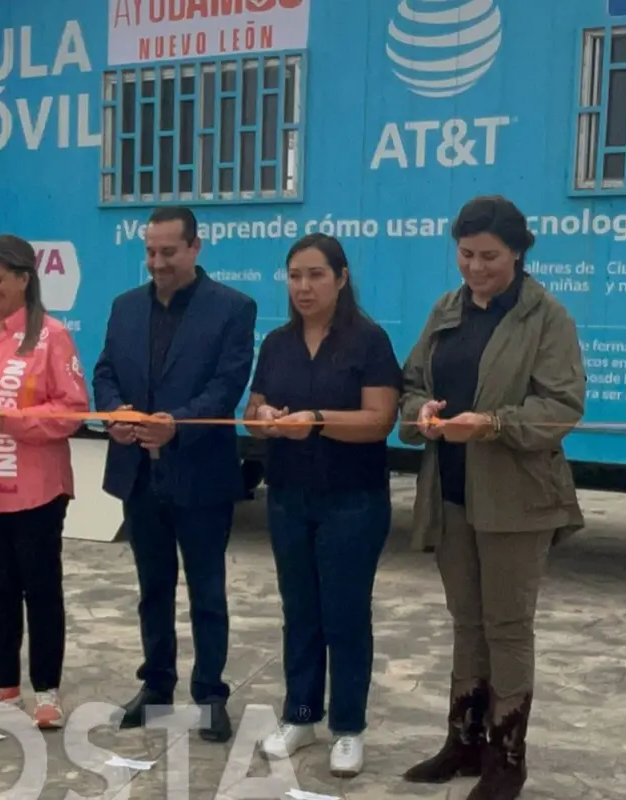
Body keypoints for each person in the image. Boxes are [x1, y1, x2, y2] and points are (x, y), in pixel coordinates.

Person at [398, 196, 585, 800]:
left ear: (519, 253)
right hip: (451, 491)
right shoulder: (447, 309)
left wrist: (495, 424)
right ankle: (462, 742)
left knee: (507, 626)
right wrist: (419, 411)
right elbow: (412, 383)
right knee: (466, 623)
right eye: (466, 255)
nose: (476, 268)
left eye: (490, 257)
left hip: (516, 499)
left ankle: (507, 757)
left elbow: (561, 405)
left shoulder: (546, 318)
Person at [92, 205, 257, 744]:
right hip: (139, 473)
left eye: (168, 251)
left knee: (207, 592)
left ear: (195, 248)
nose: (157, 262)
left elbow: (227, 386)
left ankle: (210, 695)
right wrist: (113, 410)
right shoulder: (122, 307)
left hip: (201, 473)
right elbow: (106, 370)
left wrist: (177, 426)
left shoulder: (233, 308)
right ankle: (156, 689)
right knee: (152, 589)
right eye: (150, 251)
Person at [242, 234, 402, 776]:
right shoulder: (278, 342)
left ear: (340, 277)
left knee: (346, 615)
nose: (304, 286)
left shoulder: (368, 340)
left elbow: (379, 420)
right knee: (300, 612)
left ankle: (348, 727)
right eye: (294, 276)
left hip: (353, 501)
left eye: (315, 275)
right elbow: (254, 406)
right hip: (288, 496)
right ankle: (302, 714)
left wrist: (313, 420)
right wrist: (262, 419)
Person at [0, 233, 90, 728]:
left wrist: (14, 422)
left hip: (36, 488)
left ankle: (47, 691)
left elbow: (73, 411)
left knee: (41, 588)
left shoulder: (52, 336)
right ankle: (2, 683)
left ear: (25, 280)